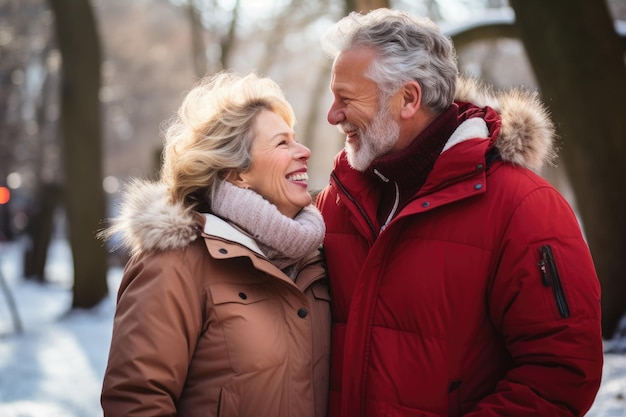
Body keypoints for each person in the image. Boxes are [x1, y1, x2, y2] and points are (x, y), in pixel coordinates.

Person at [314, 8, 603, 417]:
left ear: (408, 99)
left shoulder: (524, 208)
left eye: (347, 98)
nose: (333, 114)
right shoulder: (338, 201)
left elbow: (560, 374)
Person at [99, 72, 330, 417]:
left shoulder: (316, 258)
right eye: (282, 143)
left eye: (295, 140)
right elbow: (137, 401)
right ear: (237, 173)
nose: (304, 151)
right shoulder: (174, 262)